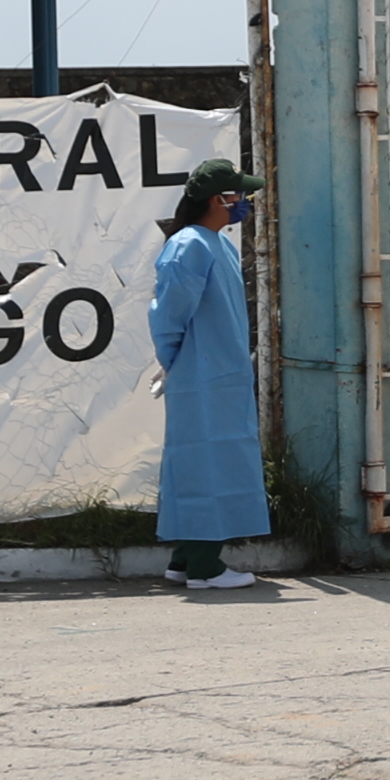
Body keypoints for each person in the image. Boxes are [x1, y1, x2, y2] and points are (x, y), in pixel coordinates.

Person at [148, 156, 269, 590]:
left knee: (207, 461)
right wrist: (172, 359)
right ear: (219, 199)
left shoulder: (217, 244)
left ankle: (184, 559)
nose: (246, 202)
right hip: (200, 374)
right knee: (204, 464)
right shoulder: (190, 245)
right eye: (240, 195)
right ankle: (205, 566)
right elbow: (170, 313)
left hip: (220, 373)